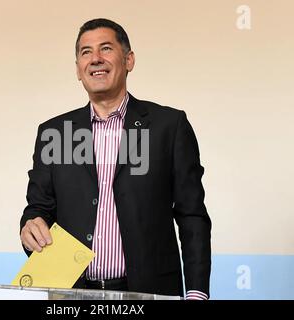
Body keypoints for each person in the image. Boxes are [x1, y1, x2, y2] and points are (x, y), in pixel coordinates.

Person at [20, 18, 211, 299]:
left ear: (129, 60)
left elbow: (191, 214)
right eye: (86, 52)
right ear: (78, 70)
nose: (95, 59)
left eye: (106, 49)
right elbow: (38, 208)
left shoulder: (168, 126)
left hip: (149, 292)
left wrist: (197, 293)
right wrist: (31, 225)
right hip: (71, 295)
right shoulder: (55, 133)